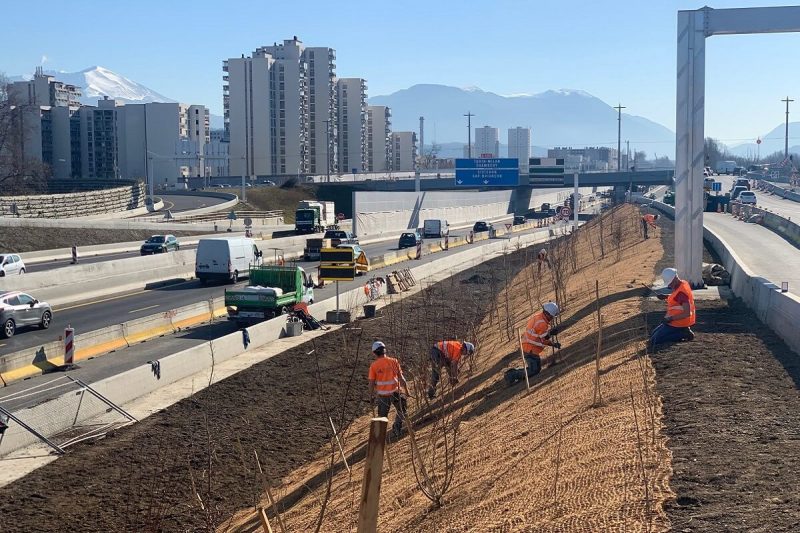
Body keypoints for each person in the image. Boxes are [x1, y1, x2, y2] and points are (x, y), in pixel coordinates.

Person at [505, 302, 562, 385]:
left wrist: (553, 344)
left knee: (536, 369)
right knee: (533, 371)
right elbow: (544, 338)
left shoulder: (538, 317)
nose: (552, 318)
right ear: (548, 314)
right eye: (552, 316)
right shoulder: (542, 323)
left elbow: (541, 338)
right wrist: (550, 334)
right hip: (529, 349)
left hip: (529, 347)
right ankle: (511, 375)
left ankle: (514, 372)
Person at [367, 341, 409, 439]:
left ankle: (379, 438)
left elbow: (371, 383)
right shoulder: (394, 361)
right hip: (396, 392)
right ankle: (396, 429)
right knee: (402, 410)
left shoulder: (374, 366)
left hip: (383, 395)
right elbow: (402, 379)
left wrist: (371, 396)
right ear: (384, 350)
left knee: (382, 417)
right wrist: (407, 391)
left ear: (374, 353)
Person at [650, 268, 696, 346]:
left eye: (670, 283)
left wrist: (670, 319)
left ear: (675, 278)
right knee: (653, 334)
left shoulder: (681, 292)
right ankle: (683, 331)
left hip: (679, 322)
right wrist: (666, 297)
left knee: (655, 340)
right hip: (675, 321)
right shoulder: (682, 284)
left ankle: (684, 334)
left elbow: (687, 313)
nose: (669, 285)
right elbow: (677, 299)